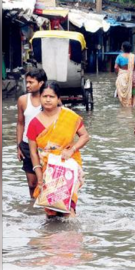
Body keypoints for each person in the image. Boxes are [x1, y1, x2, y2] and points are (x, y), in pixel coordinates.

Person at [27, 81, 90, 217]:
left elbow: (85, 136)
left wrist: (71, 150)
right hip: (47, 170)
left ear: (58, 99)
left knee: (68, 208)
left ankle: (73, 235)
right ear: (40, 98)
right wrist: (39, 175)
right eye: (45, 96)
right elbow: (33, 152)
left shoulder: (70, 116)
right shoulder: (34, 123)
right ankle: (50, 236)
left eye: (52, 96)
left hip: (67, 166)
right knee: (50, 210)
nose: (48, 100)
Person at [16, 68, 47, 198]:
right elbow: (20, 123)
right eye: (26, 82)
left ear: (40, 83)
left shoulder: (48, 99)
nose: (27, 85)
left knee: (47, 181)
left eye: (31, 82)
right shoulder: (23, 100)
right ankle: (32, 210)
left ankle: (46, 209)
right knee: (32, 183)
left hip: (46, 146)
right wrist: (18, 146)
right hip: (27, 145)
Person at [114, 41, 135, 107]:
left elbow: (115, 67)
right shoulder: (134, 57)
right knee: (134, 93)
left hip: (122, 77)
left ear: (123, 48)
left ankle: (125, 106)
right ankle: (133, 107)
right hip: (132, 76)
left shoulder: (119, 57)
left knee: (122, 93)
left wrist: (118, 75)